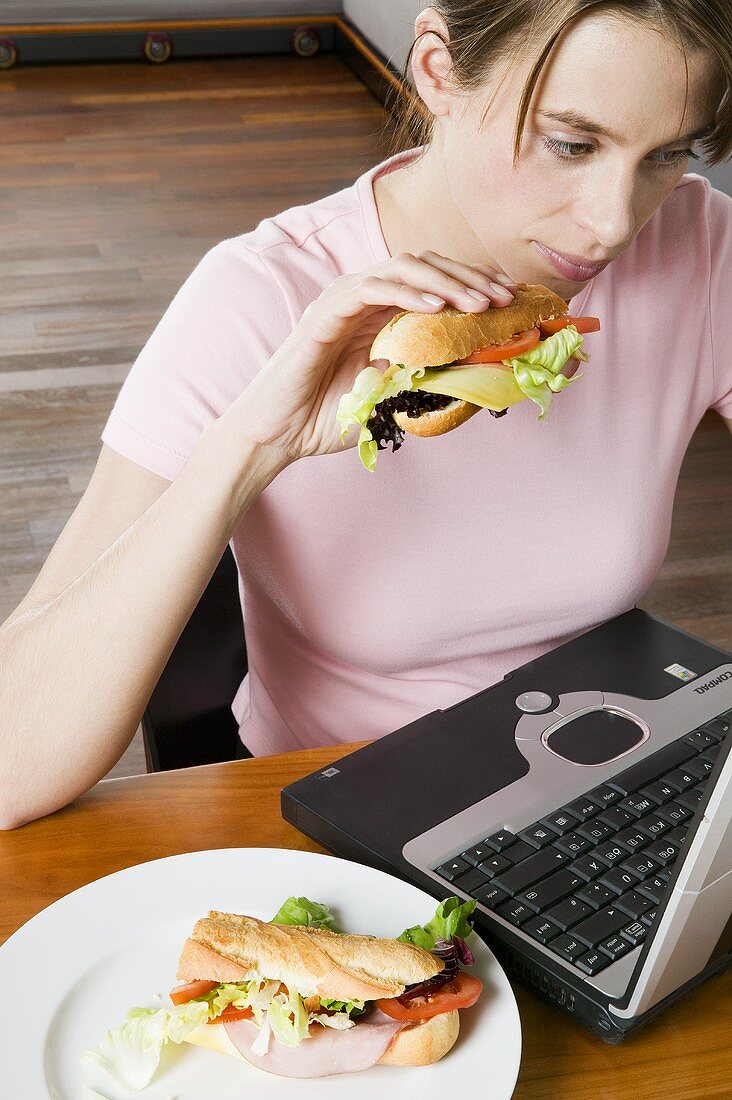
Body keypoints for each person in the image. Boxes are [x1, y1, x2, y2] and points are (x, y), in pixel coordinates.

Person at [1, 1, 731, 830]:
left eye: (668, 154)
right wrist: (251, 446)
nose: (613, 224)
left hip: (598, 790)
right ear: (438, 70)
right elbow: (8, 763)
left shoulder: (699, 247)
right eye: (571, 144)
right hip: (339, 809)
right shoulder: (261, 296)